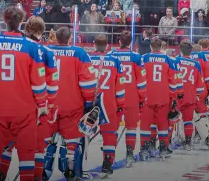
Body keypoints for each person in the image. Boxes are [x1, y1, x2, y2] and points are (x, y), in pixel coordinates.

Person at [0, 7, 49, 181]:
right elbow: (39, 85)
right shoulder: (31, 46)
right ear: (21, 22)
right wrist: (43, 106)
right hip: (24, 113)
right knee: (26, 156)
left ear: (5, 21)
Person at [45, 27, 97, 179]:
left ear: (56, 38)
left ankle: (42, 171)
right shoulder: (79, 53)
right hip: (72, 105)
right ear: (70, 38)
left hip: (48, 105)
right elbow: (88, 83)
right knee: (72, 141)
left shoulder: (45, 50)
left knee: (45, 140)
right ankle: (70, 170)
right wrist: (88, 102)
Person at [107, 30, 146, 165]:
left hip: (114, 97)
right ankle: (130, 154)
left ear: (119, 42)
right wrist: (142, 98)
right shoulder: (136, 57)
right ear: (131, 43)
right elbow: (141, 81)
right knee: (131, 128)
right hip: (132, 97)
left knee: (112, 129)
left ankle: (108, 157)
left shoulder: (110, 54)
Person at [89, 34, 125, 176]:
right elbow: (120, 87)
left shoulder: (87, 58)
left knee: (80, 135)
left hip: (90, 103)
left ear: (94, 44)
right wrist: (120, 104)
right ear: (108, 46)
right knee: (110, 135)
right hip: (109, 103)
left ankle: (74, 165)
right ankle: (108, 163)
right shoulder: (115, 60)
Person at [140, 37, 180, 160]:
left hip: (148, 96)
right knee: (163, 124)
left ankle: (145, 149)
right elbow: (173, 81)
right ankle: (163, 149)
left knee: (145, 124)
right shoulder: (168, 59)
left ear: (151, 47)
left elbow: (140, 78)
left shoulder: (144, 58)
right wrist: (173, 97)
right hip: (163, 97)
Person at [175, 40, 204, 150]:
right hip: (191, 96)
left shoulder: (175, 61)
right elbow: (200, 85)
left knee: (171, 120)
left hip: (178, 95)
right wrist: (197, 95)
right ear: (191, 52)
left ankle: (167, 143)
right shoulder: (196, 64)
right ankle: (187, 142)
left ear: (180, 50)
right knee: (188, 120)